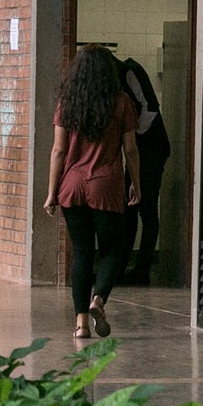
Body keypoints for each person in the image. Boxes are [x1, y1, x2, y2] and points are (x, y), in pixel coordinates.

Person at [42, 45, 141, 340]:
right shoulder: (122, 102)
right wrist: (136, 182)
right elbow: (131, 149)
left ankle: (81, 324)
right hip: (106, 183)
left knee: (82, 253)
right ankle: (98, 300)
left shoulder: (67, 103)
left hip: (72, 185)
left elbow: (59, 150)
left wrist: (51, 193)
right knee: (114, 249)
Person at [116, 53, 173, 289]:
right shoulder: (122, 75)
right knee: (129, 209)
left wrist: (130, 133)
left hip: (151, 147)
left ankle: (142, 269)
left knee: (146, 208)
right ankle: (123, 267)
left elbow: (149, 109)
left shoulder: (130, 71)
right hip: (141, 148)